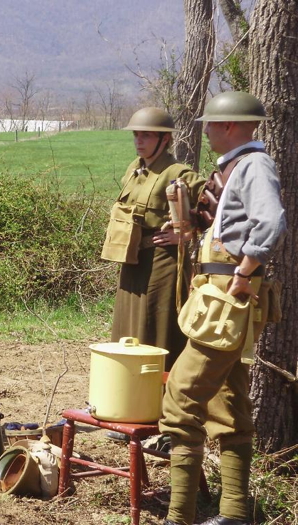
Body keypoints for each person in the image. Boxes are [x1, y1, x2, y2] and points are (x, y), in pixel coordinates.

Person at [160, 92, 286, 525]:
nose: (207, 130)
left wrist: (246, 267)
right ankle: (233, 513)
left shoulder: (254, 166)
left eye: (211, 124)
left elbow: (270, 221)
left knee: (180, 398)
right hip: (216, 292)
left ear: (230, 126)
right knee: (228, 405)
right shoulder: (236, 166)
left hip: (228, 295)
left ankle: (180, 516)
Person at [101, 108, 204, 446]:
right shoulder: (135, 170)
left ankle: (163, 417)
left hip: (161, 264)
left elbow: (216, 209)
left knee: (158, 334)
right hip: (132, 261)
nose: (139, 141)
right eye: (136, 135)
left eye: (146, 135)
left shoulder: (179, 173)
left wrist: (187, 233)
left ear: (165, 138)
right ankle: (128, 406)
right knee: (127, 334)